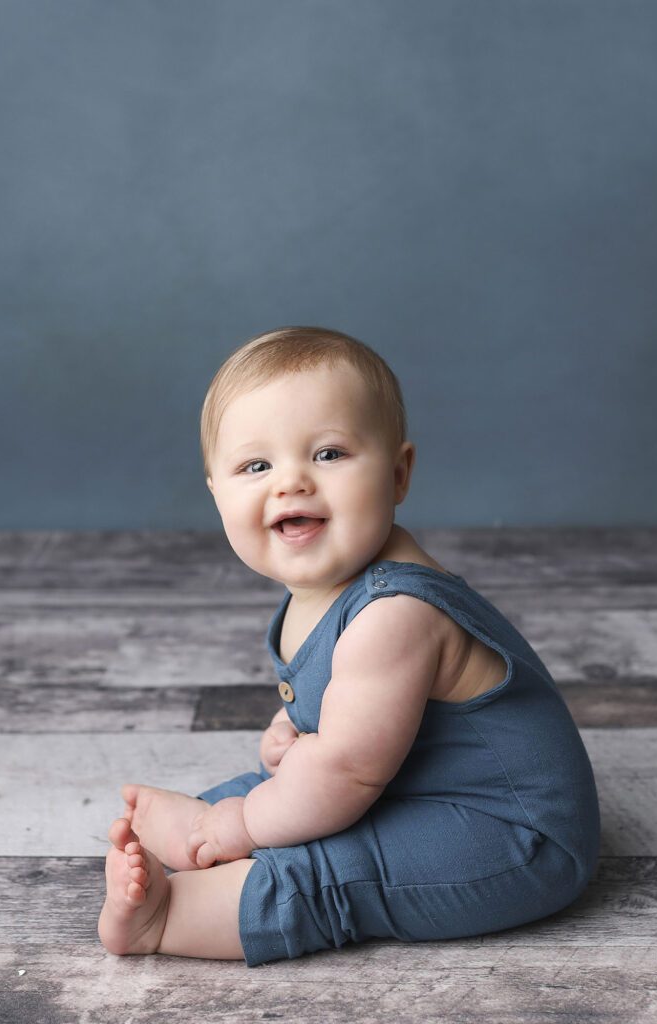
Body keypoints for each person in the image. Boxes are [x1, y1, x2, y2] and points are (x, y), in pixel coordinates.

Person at [97, 326, 600, 966]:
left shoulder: (394, 614)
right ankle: (192, 854)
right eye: (257, 466)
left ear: (397, 474)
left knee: (331, 865)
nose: (292, 483)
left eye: (329, 454)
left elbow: (345, 773)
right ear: (217, 494)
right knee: (252, 796)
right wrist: (290, 728)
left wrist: (232, 827)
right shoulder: (327, 585)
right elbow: (346, 709)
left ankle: (166, 920)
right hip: (406, 783)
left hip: (515, 838)